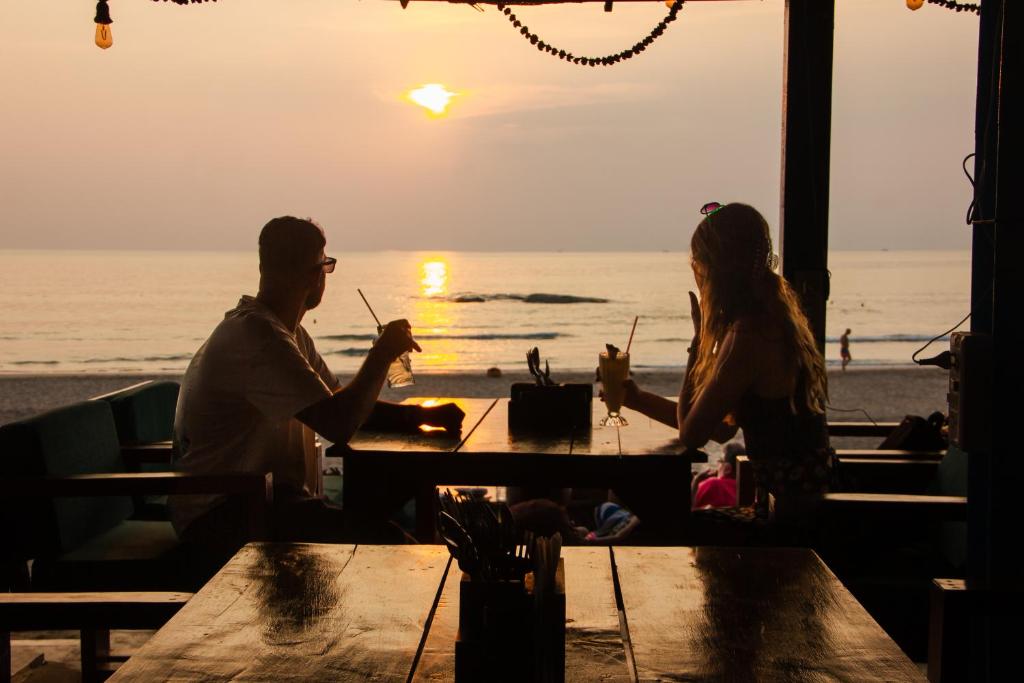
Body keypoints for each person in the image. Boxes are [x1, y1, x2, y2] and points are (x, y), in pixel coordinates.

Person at [170, 216, 465, 556]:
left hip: (266, 501)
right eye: (326, 265)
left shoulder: (285, 333)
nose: (326, 275)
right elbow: (338, 423)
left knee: (385, 511)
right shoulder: (258, 337)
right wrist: (381, 354)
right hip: (225, 514)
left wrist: (420, 416)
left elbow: (340, 403)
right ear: (313, 274)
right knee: (389, 544)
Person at [617, 202, 833, 527]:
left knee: (663, 522)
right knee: (653, 522)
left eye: (699, 269)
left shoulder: (749, 335)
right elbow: (718, 428)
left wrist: (699, 339)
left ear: (717, 272)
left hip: (791, 523)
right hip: (795, 504)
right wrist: (637, 400)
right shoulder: (770, 320)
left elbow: (693, 434)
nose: (698, 280)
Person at [691, 441, 743, 509]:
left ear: (728, 469)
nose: (717, 467)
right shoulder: (746, 489)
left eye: (720, 461)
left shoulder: (713, 484)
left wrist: (696, 480)